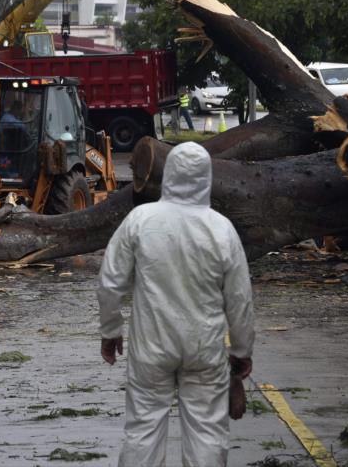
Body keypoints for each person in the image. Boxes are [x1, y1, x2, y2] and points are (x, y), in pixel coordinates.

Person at [98, 142, 255, 466]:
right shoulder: (221, 228)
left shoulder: (140, 220)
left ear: (168, 175)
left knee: (143, 430)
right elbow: (240, 298)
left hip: (151, 347)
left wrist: (111, 330)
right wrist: (241, 351)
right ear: (207, 177)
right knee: (207, 433)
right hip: (204, 348)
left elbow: (111, 282)